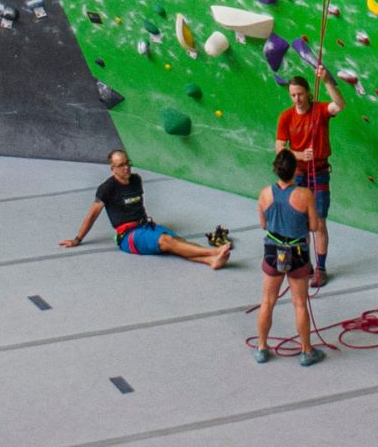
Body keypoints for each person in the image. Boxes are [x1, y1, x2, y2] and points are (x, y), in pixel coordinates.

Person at [61, 150, 231, 268]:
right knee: (167, 242)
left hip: (146, 226)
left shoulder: (136, 180)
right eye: (121, 165)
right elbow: (92, 216)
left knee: (178, 242)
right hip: (128, 236)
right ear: (112, 168)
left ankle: (210, 261)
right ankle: (214, 251)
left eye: (128, 163)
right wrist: (77, 239)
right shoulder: (107, 188)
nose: (126, 167)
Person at [274, 63, 344, 288]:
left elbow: (339, 105)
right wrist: (299, 155)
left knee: (320, 222)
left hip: (320, 172)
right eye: (293, 95)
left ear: (308, 93)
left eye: (300, 94)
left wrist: (326, 80)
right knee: (302, 223)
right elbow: (279, 149)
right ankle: (305, 264)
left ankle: (321, 268)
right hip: (299, 175)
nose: (297, 99)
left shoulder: (320, 110)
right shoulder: (286, 117)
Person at [253, 149, 326, 366]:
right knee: (299, 304)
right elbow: (314, 226)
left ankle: (262, 347)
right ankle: (306, 350)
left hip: (273, 251)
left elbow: (263, 225)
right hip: (296, 253)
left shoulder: (265, 193)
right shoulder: (304, 195)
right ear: (295, 170)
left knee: (267, 301)